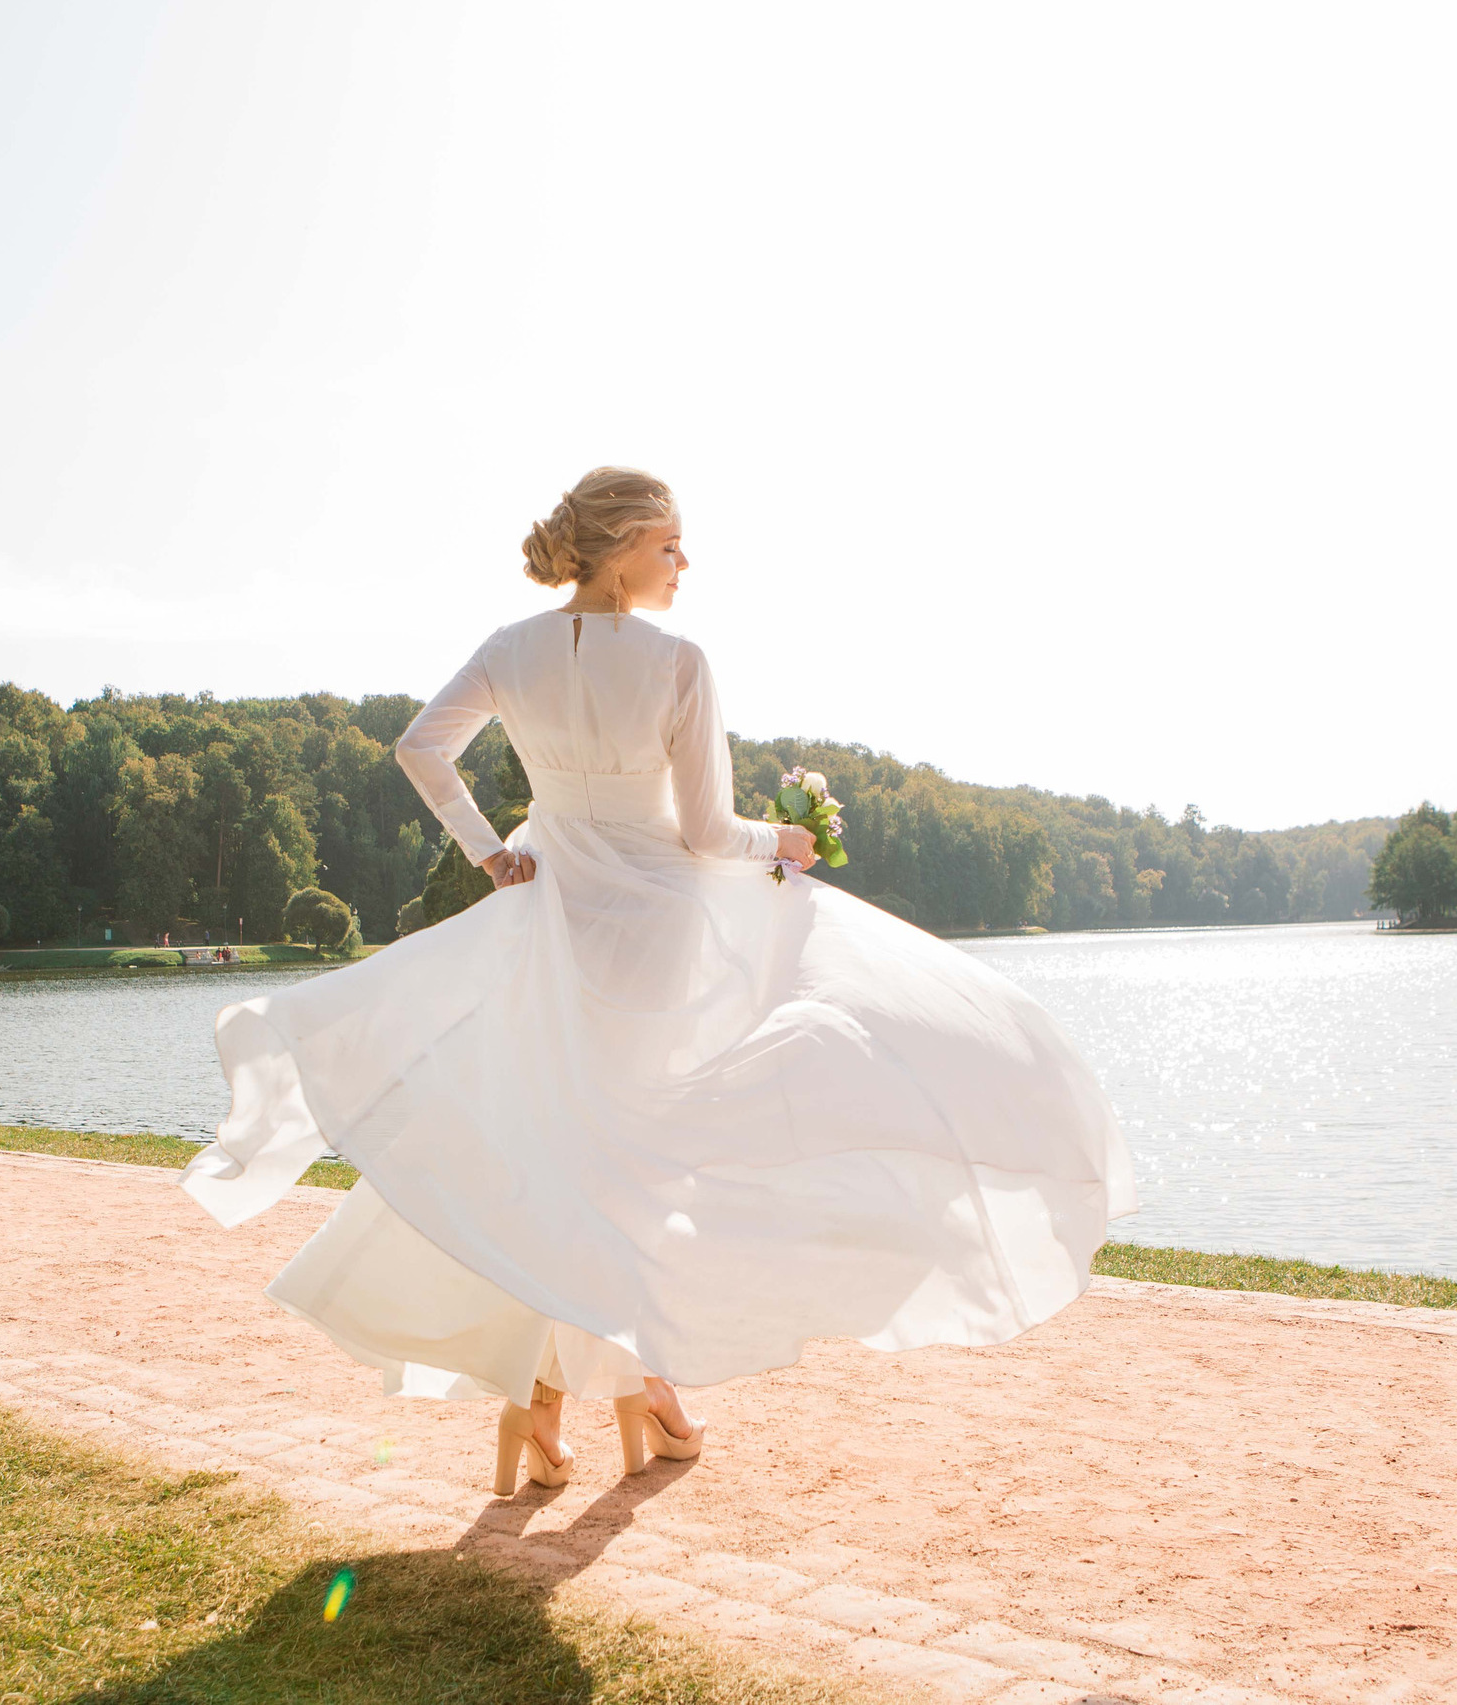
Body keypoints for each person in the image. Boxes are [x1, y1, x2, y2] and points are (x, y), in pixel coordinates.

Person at [182, 466, 1137, 1496]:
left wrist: (489, 853)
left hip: (550, 917)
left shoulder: (511, 649)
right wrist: (790, 837)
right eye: (672, 544)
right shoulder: (678, 661)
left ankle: (543, 1414)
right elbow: (706, 833)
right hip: (654, 928)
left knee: (564, 1160)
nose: (685, 563)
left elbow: (422, 748)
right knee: (641, 1171)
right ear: (626, 542)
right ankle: (641, 1394)